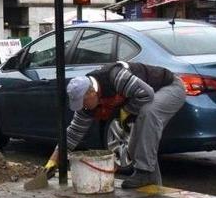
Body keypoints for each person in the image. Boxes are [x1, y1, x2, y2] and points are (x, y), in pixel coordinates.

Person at [44, 61, 186, 189]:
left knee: (149, 112)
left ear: (92, 92)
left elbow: (147, 94)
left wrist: (127, 110)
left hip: (170, 87)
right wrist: (53, 160)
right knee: (136, 147)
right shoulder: (86, 105)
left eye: (83, 102)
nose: (82, 107)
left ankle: (145, 173)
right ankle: (154, 188)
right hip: (147, 98)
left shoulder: (115, 77)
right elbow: (74, 133)